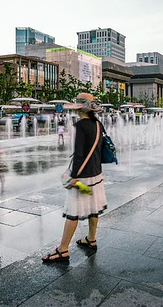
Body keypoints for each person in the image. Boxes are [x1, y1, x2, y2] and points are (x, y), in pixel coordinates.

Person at [42, 93, 106, 263]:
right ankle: (91, 239)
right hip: (96, 175)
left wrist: (74, 179)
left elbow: (78, 156)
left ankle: (62, 250)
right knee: (94, 208)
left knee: (73, 213)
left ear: (80, 108)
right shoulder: (98, 124)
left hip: (82, 178)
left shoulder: (80, 126)